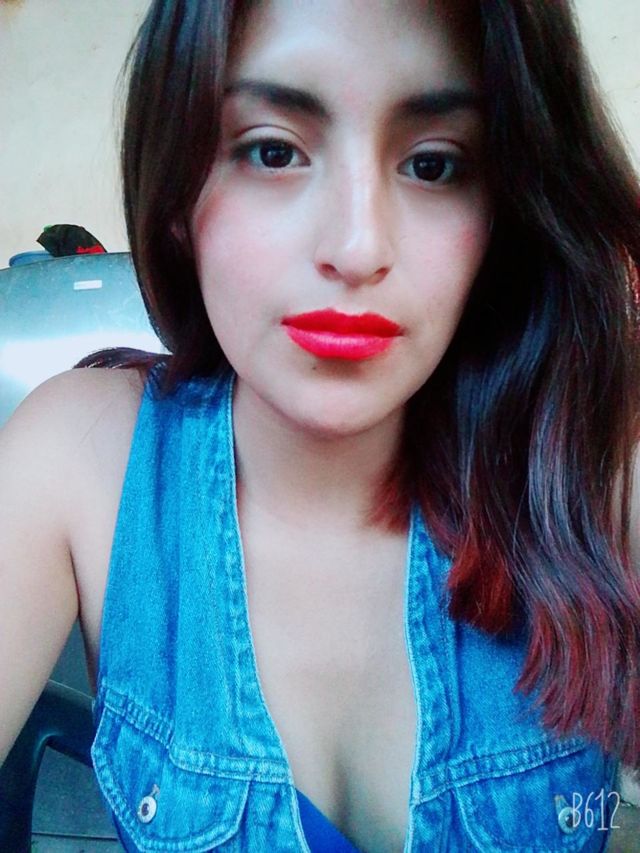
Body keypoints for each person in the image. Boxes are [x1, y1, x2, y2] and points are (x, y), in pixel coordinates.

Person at [1, 0, 640, 850]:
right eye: (274, 151)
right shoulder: (81, 460)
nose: (359, 245)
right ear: (177, 193)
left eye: (434, 164)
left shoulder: (592, 467)